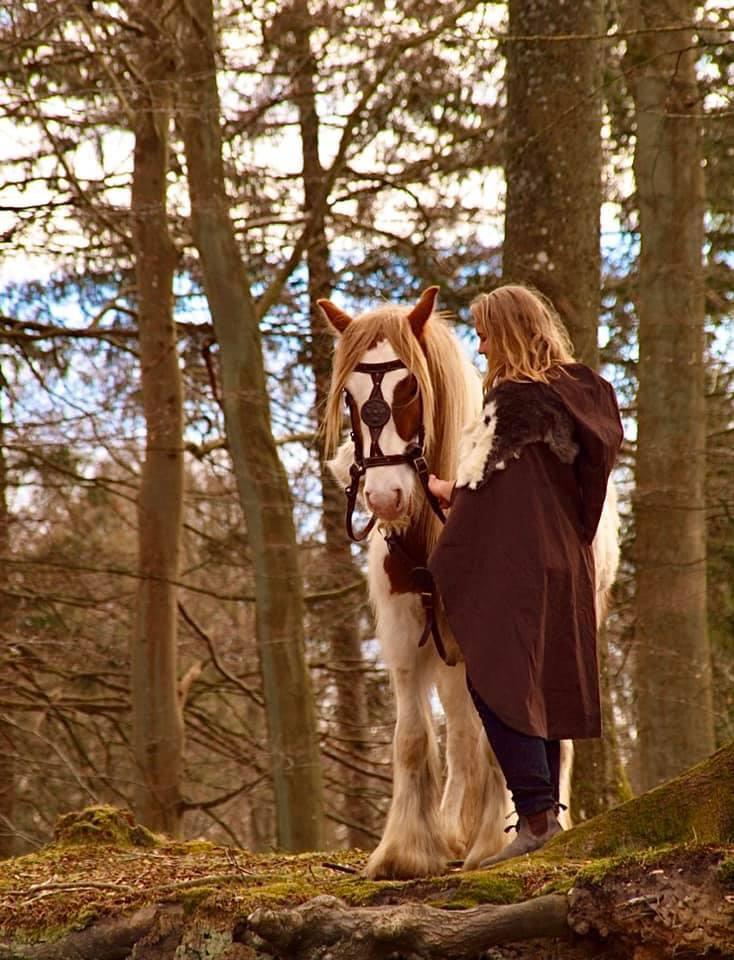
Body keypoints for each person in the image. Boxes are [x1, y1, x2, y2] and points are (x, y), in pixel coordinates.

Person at [427, 283, 623, 866]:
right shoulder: (579, 393)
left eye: (486, 333)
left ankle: (536, 819)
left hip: (516, 566)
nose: (480, 346)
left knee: (496, 682)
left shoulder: (513, 401)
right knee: (541, 682)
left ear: (508, 332)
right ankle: (547, 818)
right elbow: (556, 486)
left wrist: (446, 494)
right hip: (565, 558)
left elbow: (489, 493)